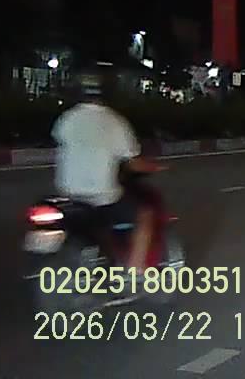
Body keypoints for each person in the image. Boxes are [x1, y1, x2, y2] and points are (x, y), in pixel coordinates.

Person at [53, 73, 163, 270]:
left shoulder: (67, 118)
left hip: (68, 194)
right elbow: (133, 163)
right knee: (145, 215)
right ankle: (136, 270)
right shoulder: (115, 122)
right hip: (102, 197)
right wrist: (154, 166)